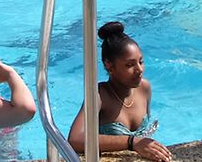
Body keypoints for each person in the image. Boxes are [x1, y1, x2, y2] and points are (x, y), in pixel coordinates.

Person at [66, 22, 171, 162]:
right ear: (109, 66)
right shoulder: (100, 95)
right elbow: (74, 140)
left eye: (141, 61)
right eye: (130, 65)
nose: (139, 70)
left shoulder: (144, 88)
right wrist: (132, 142)